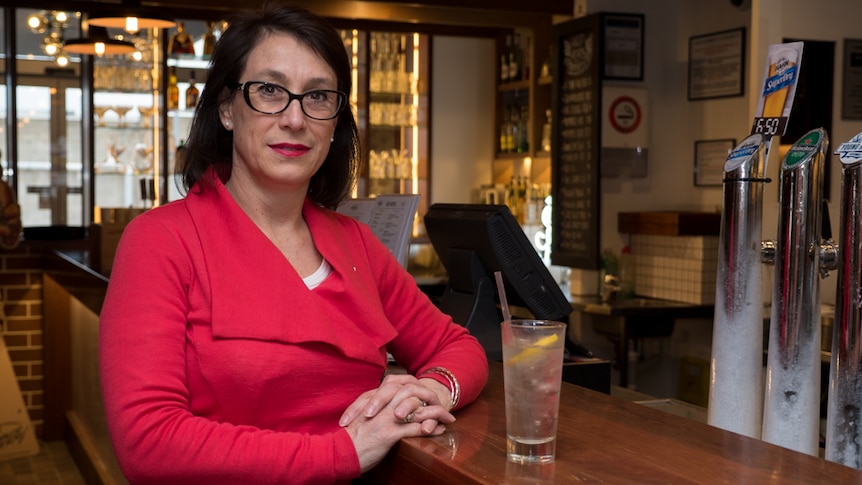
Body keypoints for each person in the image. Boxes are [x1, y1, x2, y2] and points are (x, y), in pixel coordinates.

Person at [98, 3, 489, 484]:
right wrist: (342, 451)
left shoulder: (356, 245)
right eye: (269, 90)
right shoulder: (160, 242)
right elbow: (148, 442)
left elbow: (458, 346)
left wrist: (433, 389)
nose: (295, 118)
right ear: (226, 109)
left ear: (335, 121)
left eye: (318, 96)